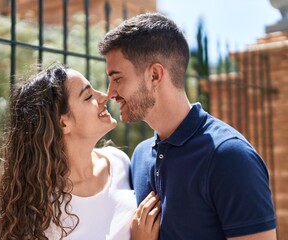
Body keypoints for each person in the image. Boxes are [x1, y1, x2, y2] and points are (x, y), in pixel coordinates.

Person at [99, 12, 277, 239]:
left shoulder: (229, 157)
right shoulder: (141, 156)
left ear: (154, 75)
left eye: (117, 78)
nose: (110, 92)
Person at [0, 65, 161, 240]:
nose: (104, 97)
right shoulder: (41, 214)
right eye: (88, 96)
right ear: (63, 123)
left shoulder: (118, 161)